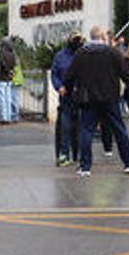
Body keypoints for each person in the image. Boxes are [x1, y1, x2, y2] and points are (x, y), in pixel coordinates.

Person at [62, 26, 129, 177]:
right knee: (119, 129)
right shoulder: (113, 52)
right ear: (103, 37)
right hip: (110, 97)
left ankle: (85, 166)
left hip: (88, 98)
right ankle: (128, 163)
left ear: (90, 37)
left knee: (86, 131)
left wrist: (67, 90)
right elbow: (125, 75)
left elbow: (70, 76)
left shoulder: (81, 53)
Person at [52, 32, 84, 166]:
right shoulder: (60, 56)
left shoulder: (84, 54)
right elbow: (54, 74)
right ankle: (64, 154)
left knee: (82, 128)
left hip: (82, 98)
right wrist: (59, 87)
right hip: (66, 98)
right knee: (65, 127)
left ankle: (80, 155)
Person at [0, 38, 18, 124]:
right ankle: (9, 116)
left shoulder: (1, 54)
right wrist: (10, 71)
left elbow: (0, 65)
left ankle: (3, 117)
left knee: (2, 99)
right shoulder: (12, 54)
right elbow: (14, 65)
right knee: (8, 98)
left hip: (2, 78)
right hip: (9, 78)